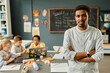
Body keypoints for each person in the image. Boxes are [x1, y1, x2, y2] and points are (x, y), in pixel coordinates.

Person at [63, 5, 103, 73]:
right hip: (74, 70)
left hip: (91, 71)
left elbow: (99, 56)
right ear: (75, 17)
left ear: (88, 16)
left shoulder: (96, 32)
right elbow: (67, 55)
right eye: (78, 16)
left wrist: (76, 57)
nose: (81, 18)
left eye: (84, 15)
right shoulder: (69, 33)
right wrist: (88, 53)